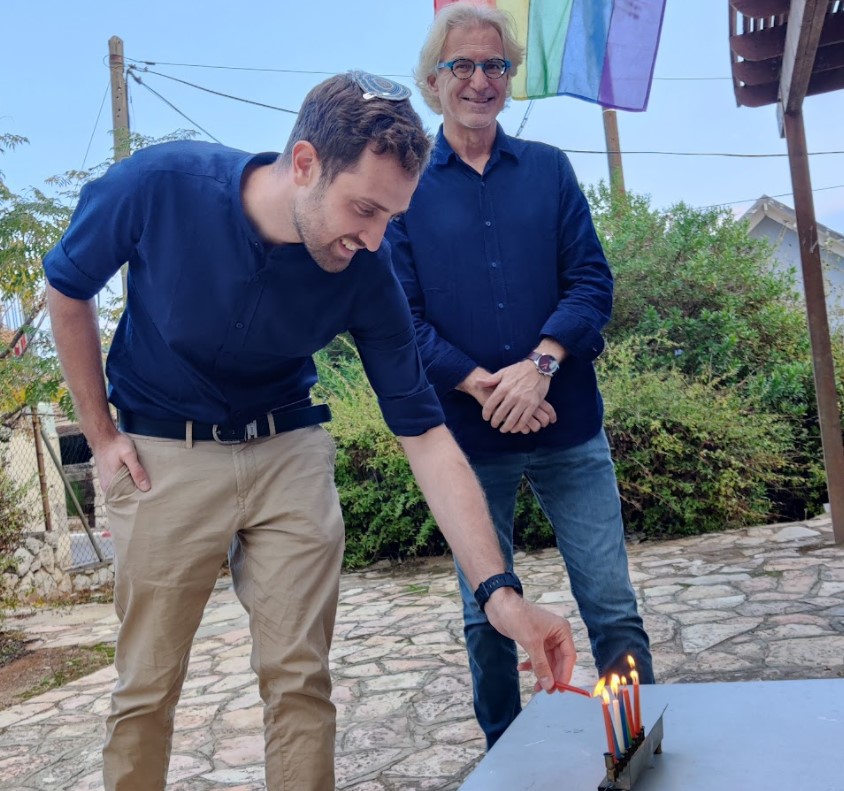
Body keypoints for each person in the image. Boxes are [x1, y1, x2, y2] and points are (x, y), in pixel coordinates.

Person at [43, 71, 577, 791]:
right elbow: (67, 286)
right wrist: (101, 434)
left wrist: (502, 595)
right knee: (147, 684)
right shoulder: (157, 184)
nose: (375, 239)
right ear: (303, 163)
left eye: (392, 216)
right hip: (163, 449)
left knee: (299, 678)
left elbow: (424, 433)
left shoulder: (368, 269)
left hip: (287, 447)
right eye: (365, 209)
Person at [387, 4, 654, 750]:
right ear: (432, 82)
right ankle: (507, 755)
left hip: (569, 427)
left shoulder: (549, 170)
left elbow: (592, 283)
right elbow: (401, 321)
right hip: (469, 443)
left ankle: (636, 743)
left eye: (495, 65)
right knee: (488, 615)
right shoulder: (404, 189)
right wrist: (485, 385)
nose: (480, 80)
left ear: (510, 78)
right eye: (462, 66)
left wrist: (539, 368)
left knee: (611, 604)